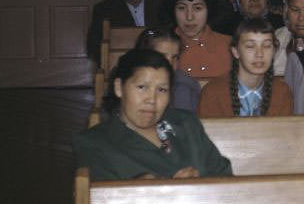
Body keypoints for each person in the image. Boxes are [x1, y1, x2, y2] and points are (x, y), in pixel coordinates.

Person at [73, 48, 232, 181]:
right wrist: (147, 191)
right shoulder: (94, 143)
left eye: (162, 90)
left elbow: (224, 176)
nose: (152, 100)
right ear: (119, 88)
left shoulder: (187, 123)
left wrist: (199, 186)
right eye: (142, 87)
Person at [198, 18, 293, 117]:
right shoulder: (213, 93)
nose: (259, 54)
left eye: (266, 45)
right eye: (250, 46)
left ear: (274, 51)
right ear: (235, 51)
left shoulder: (282, 92)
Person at [168, 0, 232, 83]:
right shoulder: (162, 46)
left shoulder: (229, 45)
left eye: (197, 8)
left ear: (209, 10)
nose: (189, 17)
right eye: (181, 8)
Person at [134, 28, 201, 113]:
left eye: (175, 57)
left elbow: (179, 123)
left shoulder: (183, 88)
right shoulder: (128, 81)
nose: (170, 63)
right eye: (162, 56)